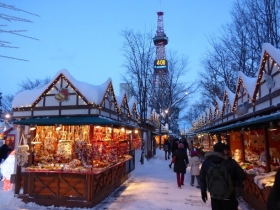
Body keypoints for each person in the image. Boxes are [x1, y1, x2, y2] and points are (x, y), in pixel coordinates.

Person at [199, 142, 246, 210]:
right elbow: (242, 176)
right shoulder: (230, 162)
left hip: (214, 195)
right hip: (229, 196)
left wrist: (203, 192)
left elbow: (202, 178)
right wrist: (232, 184)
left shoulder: (207, 162)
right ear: (224, 150)